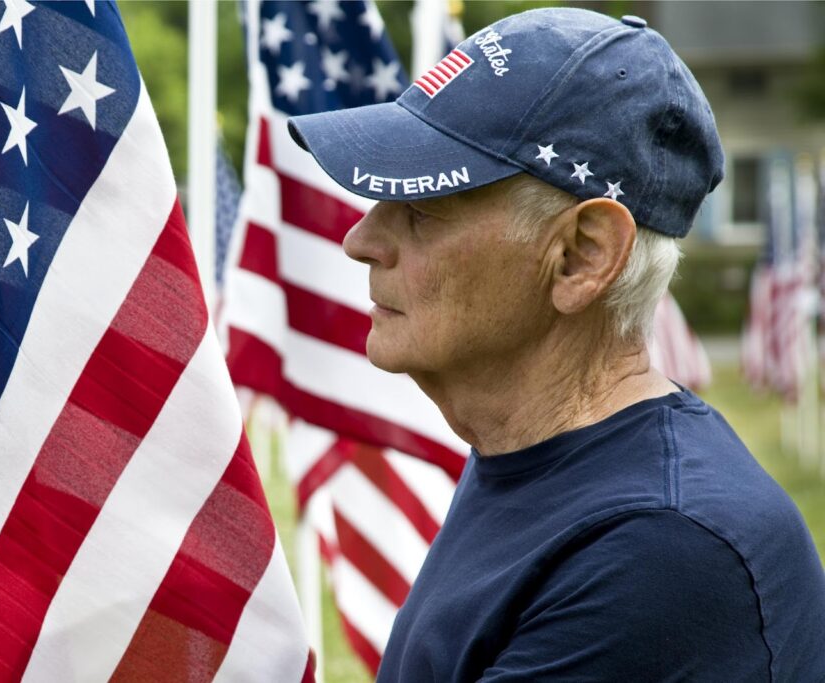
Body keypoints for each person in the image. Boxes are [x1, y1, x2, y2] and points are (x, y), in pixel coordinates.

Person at [286, 7, 825, 681]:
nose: (360, 239)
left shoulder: (659, 552)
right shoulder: (531, 454)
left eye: (421, 210)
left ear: (580, 257)